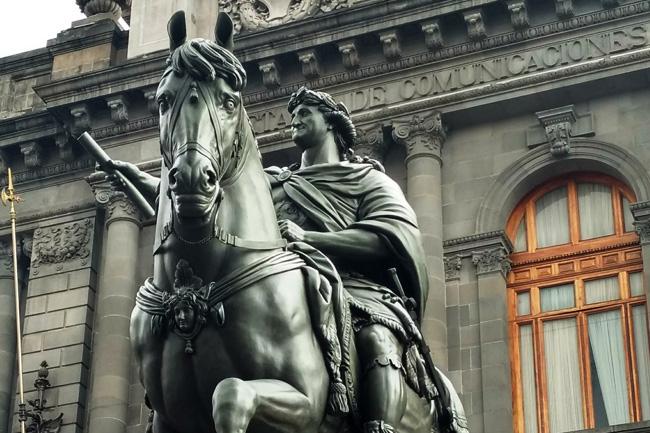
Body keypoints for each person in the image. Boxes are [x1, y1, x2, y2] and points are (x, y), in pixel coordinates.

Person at [265, 87, 441, 433]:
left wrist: (309, 238)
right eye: (293, 115)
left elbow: (388, 239)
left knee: (377, 337)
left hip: (355, 289)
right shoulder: (273, 185)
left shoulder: (369, 180)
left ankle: (380, 426)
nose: (294, 120)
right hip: (282, 289)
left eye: (305, 113)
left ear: (331, 124)